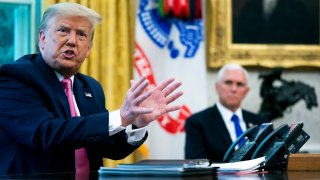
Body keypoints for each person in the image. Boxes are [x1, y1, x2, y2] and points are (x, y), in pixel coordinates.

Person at [0, 2, 183, 175]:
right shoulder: (14, 77)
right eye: (63, 31)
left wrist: (136, 123)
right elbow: (46, 134)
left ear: (88, 48)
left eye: (81, 34)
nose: (72, 41)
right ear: (42, 38)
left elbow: (109, 147)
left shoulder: (90, 87)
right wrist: (121, 116)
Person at [184, 63, 269, 162]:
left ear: (246, 91)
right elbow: (196, 165)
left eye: (239, 84)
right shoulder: (198, 122)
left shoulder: (261, 122)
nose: (234, 89)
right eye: (228, 83)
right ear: (217, 87)